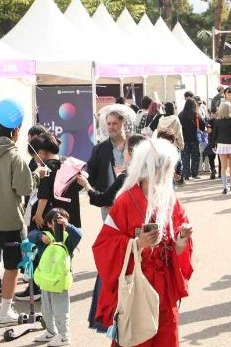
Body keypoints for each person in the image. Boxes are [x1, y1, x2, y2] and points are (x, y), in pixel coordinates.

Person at [92, 139, 194, 346]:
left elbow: (178, 247)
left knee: (166, 337)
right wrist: (136, 244)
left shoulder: (170, 199)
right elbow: (103, 246)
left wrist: (182, 238)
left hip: (164, 288)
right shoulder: (125, 201)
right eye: (167, 168)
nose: (170, 173)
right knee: (136, 338)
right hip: (137, 284)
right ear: (154, 169)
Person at [0, 112, 47, 326]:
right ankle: (4, 313)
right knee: (12, 267)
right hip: (9, 220)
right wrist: (38, 175)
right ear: (16, 132)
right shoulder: (16, 157)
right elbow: (24, 187)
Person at [78, 134, 146, 335]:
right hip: (145, 244)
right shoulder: (153, 177)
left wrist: (87, 186)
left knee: (119, 298)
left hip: (125, 245)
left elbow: (103, 199)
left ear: (131, 153)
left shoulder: (128, 178)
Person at [29, 207, 82, 346]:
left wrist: (67, 226)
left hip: (60, 282)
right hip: (46, 281)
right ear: (49, 224)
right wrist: (41, 237)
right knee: (46, 309)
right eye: (56, 221)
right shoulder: (45, 237)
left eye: (62, 221)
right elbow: (30, 235)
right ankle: (50, 332)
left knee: (60, 309)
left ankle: (64, 336)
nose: (59, 224)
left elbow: (79, 235)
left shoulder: (68, 239)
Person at [87, 110, 130, 219]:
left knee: (135, 234)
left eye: (115, 123)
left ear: (123, 124)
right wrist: (103, 197)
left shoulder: (135, 144)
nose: (111, 127)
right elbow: (91, 175)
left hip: (132, 201)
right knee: (112, 234)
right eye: (109, 123)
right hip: (109, 205)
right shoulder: (99, 149)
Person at [212, 101, 231, 194]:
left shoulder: (217, 121)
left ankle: (225, 186)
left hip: (221, 145)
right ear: (230, 110)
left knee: (223, 167)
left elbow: (214, 135)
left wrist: (213, 145)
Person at [178, 98, 201, 180]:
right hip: (194, 139)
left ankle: (186, 174)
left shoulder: (180, 114)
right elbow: (202, 126)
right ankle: (194, 173)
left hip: (184, 139)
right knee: (195, 156)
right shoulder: (196, 114)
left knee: (185, 157)